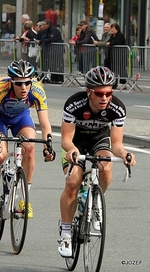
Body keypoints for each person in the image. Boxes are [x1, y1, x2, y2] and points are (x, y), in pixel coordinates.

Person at [57, 66, 136, 257]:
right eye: (100, 93)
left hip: (99, 139)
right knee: (72, 182)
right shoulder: (74, 103)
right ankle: (66, 233)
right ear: (89, 92)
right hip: (75, 142)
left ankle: (96, 202)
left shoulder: (117, 108)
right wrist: (72, 151)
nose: (105, 98)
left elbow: (116, 143)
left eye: (109, 93)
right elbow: (66, 139)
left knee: (107, 167)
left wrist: (125, 153)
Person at [0, 60, 55, 219]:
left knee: (30, 149)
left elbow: (45, 123)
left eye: (27, 83)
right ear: (11, 82)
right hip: (0, 119)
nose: (24, 87)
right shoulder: (0, 89)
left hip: (21, 119)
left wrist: (48, 146)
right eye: (19, 84)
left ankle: (24, 199)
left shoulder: (37, 91)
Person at [106, 23, 127, 90]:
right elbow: (109, 41)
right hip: (113, 55)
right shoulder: (112, 35)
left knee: (121, 69)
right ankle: (114, 83)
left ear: (117, 29)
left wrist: (110, 43)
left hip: (120, 55)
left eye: (113, 28)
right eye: (111, 28)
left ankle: (123, 83)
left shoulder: (120, 35)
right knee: (113, 70)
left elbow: (117, 42)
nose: (112, 30)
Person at [42, 19, 64, 83]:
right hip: (52, 51)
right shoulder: (47, 30)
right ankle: (53, 78)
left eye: (44, 24)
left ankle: (59, 79)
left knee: (58, 65)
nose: (43, 26)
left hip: (57, 50)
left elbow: (52, 39)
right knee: (52, 65)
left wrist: (44, 41)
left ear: (48, 25)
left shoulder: (53, 30)